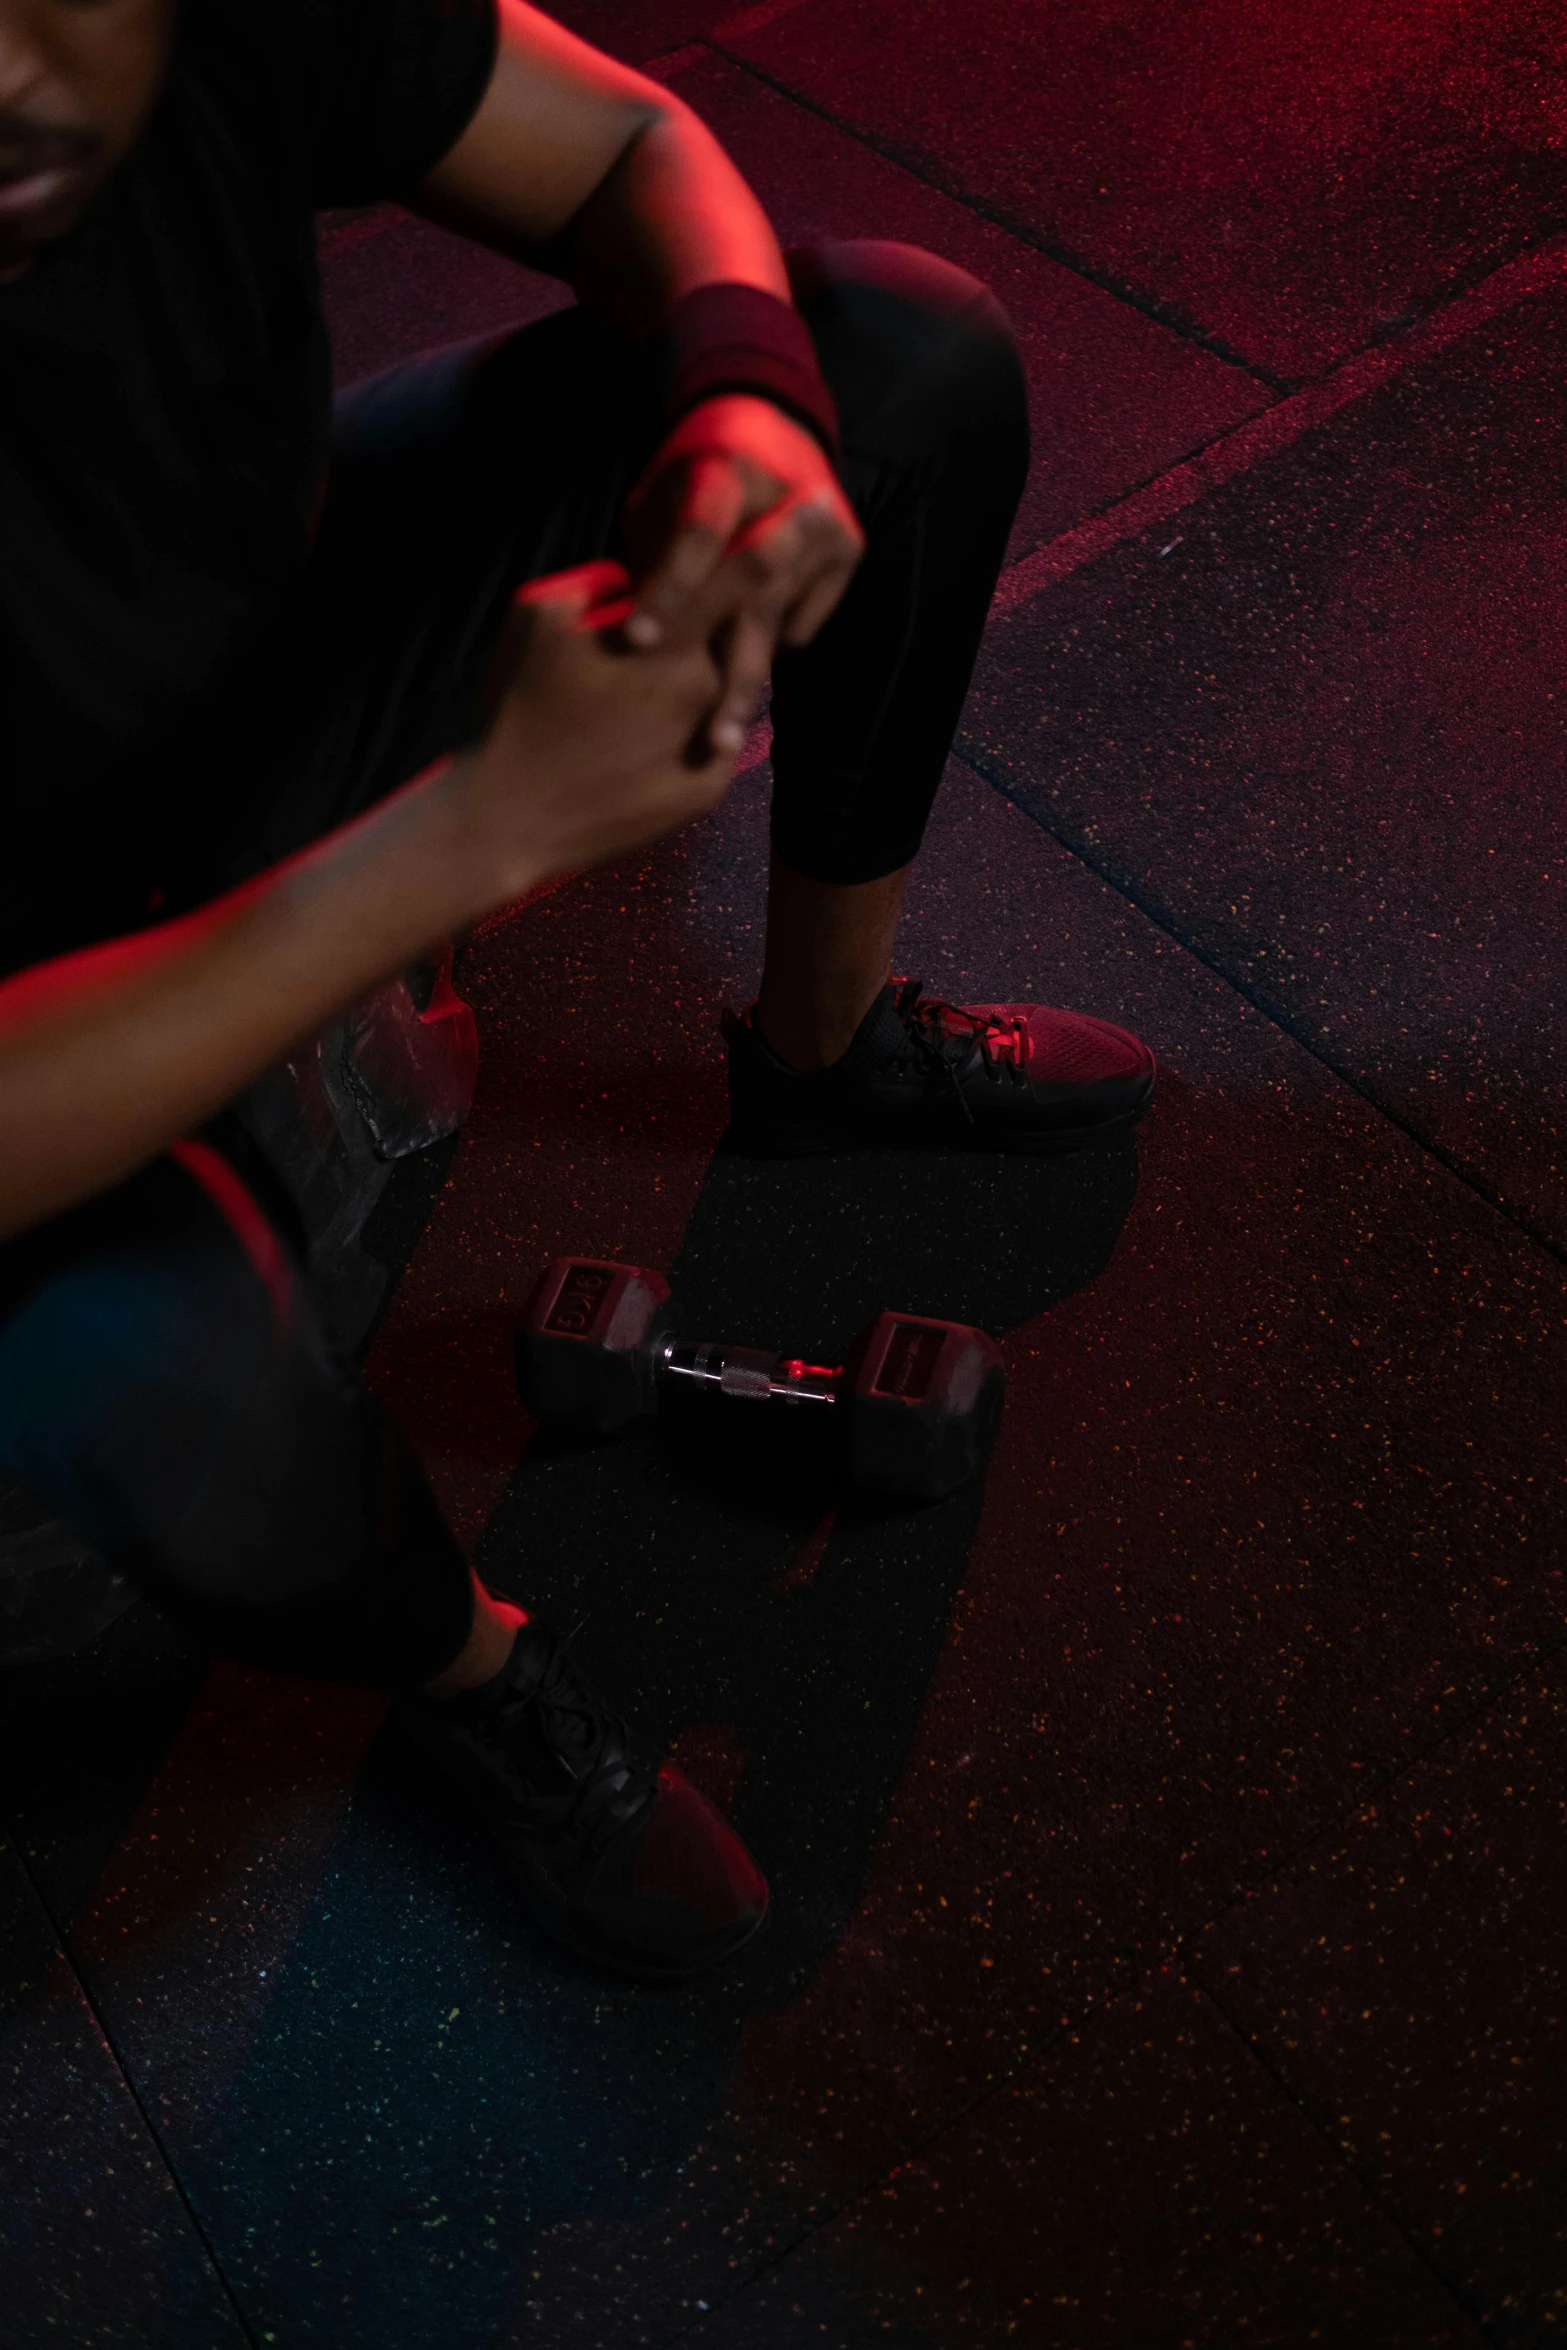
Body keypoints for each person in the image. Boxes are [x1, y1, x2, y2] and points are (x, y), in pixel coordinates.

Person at [0, 0, 1156, 1980]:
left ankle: (823, 1047)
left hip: (239, 669)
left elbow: (626, 144)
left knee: (899, 354)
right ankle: (474, 1681)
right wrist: (469, 835)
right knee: (123, 1349)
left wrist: (743, 414)